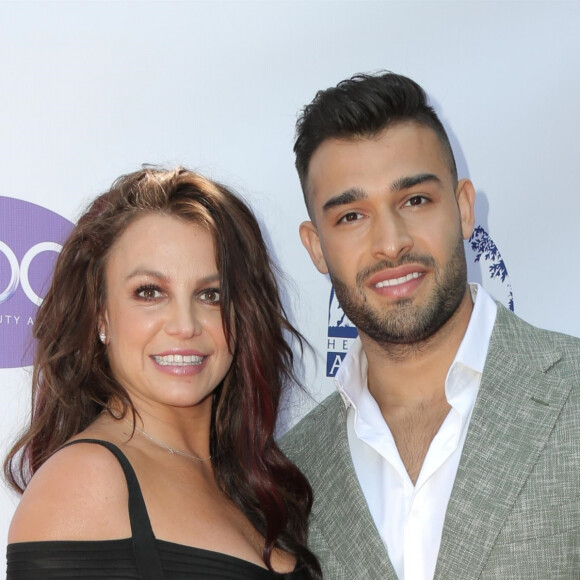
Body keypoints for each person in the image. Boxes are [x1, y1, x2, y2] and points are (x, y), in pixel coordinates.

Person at [281, 72, 580, 580]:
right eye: (352, 216)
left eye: (415, 200)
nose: (391, 243)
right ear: (315, 247)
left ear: (464, 209)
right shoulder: (290, 474)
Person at [5, 167, 322, 580]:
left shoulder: (249, 482)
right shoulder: (86, 482)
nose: (185, 324)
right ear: (101, 313)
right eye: (150, 292)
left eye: (212, 295)